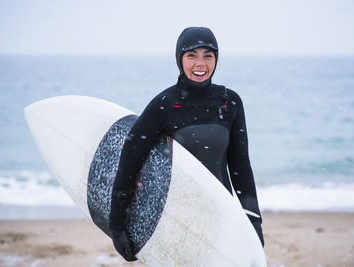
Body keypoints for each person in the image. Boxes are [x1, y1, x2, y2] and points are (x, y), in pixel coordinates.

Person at [109, 26, 264, 261]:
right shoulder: (164, 104)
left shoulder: (230, 102)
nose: (200, 64)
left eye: (208, 55)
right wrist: (117, 225)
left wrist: (253, 220)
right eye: (192, 55)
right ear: (180, 59)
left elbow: (240, 167)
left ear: (216, 59)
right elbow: (130, 161)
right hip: (174, 220)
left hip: (220, 216)